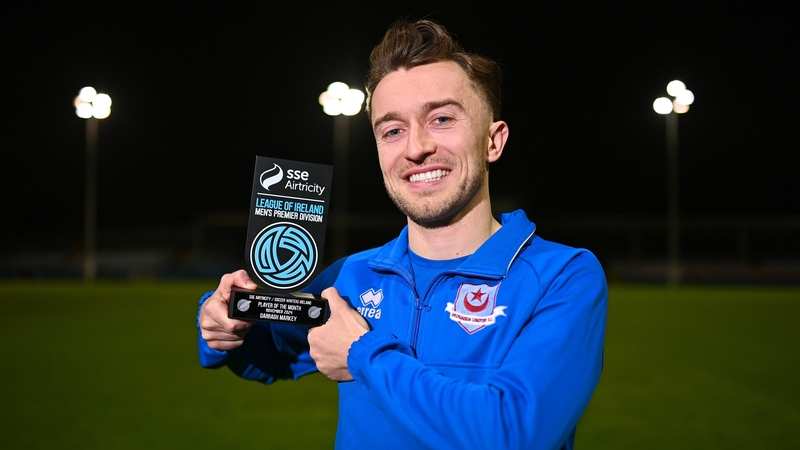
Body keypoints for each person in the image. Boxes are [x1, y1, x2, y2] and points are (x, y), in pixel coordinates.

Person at [198, 19, 607, 450]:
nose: (415, 148)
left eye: (442, 119)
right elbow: (269, 353)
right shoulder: (350, 277)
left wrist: (362, 355)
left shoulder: (563, 275)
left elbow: (517, 433)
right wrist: (223, 323)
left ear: (493, 141)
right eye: (393, 130)